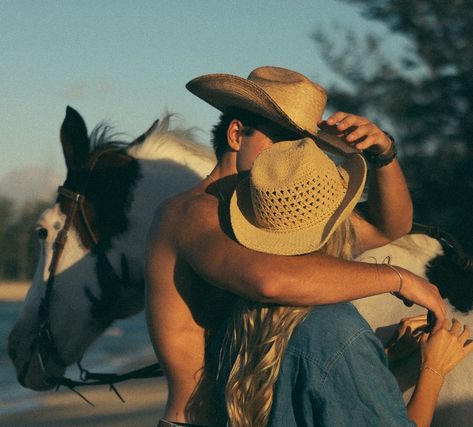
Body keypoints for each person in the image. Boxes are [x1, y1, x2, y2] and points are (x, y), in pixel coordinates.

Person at [145, 66, 446, 426]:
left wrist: (383, 155)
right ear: (237, 134)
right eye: (283, 139)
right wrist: (397, 278)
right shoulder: (192, 212)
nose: (293, 154)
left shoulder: (271, 213)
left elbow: (390, 227)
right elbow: (268, 280)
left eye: (303, 143)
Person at [219, 138, 473, 426]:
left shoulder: (244, 317)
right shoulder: (338, 331)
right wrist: (433, 370)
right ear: (341, 222)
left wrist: (379, 364)